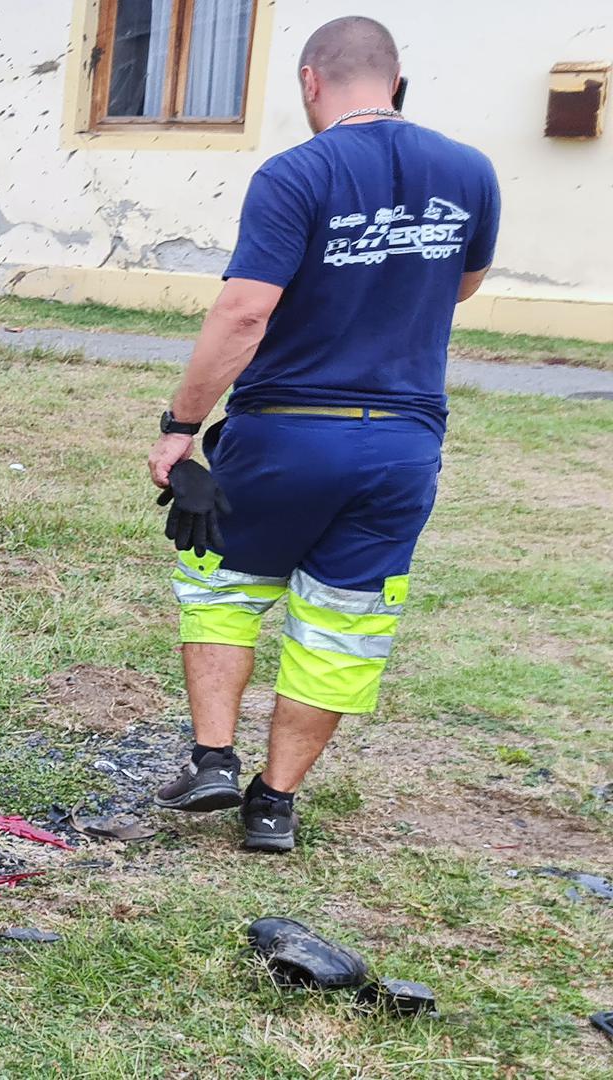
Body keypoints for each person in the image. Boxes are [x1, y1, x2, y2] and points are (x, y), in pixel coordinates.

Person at [144, 16, 500, 852]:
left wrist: (180, 426)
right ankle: (274, 806)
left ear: (311, 82)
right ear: (396, 79)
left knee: (224, 587)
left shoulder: (297, 172)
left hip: (286, 433)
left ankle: (214, 760)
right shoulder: (472, 172)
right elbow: (463, 283)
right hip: (403, 447)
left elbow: (243, 310)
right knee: (343, 622)